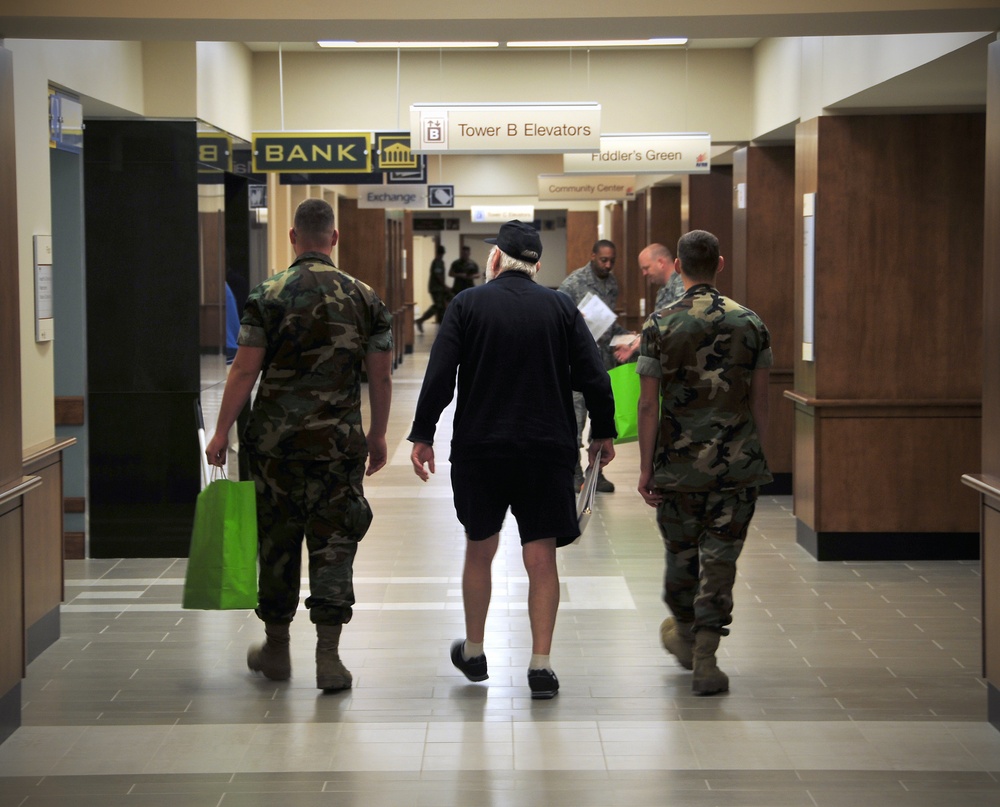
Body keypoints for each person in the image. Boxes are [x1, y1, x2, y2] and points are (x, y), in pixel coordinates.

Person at [408, 220, 616, 700]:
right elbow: (595, 377)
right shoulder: (562, 307)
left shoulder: (467, 304)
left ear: (496, 259)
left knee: (480, 547)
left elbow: (440, 375)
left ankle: (476, 652)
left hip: (482, 449)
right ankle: (541, 666)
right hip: (547, 449)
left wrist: (423, 434)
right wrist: (602, 432)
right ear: (538, 264)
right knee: (540, 555)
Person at [205, 198, 393, 694]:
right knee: (335, 544)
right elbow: (380, 377)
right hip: (338, 445)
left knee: (277, 543)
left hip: (274, 447)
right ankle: (329, 658)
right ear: (334, 238)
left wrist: (221, 430)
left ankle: (276, 648)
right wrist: (377, 434)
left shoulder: (269, 293)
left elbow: (244, 368)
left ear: (293, 237)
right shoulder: (365, 297)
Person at [635, 229, 772, 696]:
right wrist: (757, 454)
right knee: (721, 561)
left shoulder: (660, 324)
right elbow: (761, 401)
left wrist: (646, 467)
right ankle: (707, 659)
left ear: (677, 266)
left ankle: (688, 636)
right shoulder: (750, 322)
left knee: (681, 557)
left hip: (678, 466)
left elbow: (648, 405)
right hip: (737, 464)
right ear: (720, 263)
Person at [557, 239, 626, 493]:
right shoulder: (573, 283)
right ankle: (573, 471)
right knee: (575, 418)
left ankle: (596, 471)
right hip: (576, 363)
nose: (607, 265)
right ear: (592, 256)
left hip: (601, 363)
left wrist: (623, 335)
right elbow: (558, 321)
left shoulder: (612, 283)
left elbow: (608, 322)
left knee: (600, 420)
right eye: (603, 260)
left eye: (611, 261)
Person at [612, 243, 684, 364]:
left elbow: (676, 325)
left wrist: (641, 341)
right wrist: (635, 344)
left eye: (646, 268)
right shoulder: (662, 290)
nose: (644, 273)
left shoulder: (681, 284)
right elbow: (658, 328)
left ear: (661, 262)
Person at [416, 244, 450, 333]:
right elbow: (438, 275)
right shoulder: (438, 262)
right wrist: (444, 286)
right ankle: (421, 320)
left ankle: (442, 325)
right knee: (438, 306)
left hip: (437, 288)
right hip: (436, 288)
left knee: (441, 307)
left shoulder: (438, 261)